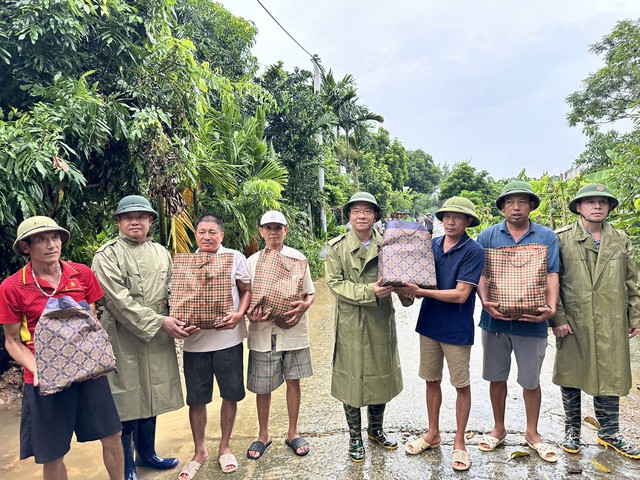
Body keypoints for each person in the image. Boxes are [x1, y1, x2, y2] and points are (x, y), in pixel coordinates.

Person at [0, 216, 123, 480]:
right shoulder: (12, 287)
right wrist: (38, 370)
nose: (51, 244)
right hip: (44, 379)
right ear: (26, 247)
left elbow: (92, 321)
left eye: (55, 237)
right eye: (42, 239)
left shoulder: (82, 274)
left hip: (89, 372)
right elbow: (12, 340)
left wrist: (98, 356)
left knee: (113, 434)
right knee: (54, 452)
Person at [92, 195, 197, 480]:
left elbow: (175, 290)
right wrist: (161, 322)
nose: (135, 221)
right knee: (127, 399)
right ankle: (127, 464)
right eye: (128, 217)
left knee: (154, 393)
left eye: (141, 216)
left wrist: (190, 313)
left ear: (151, 220)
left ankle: (147, 454)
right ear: (118, 222)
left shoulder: (162, 252)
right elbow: (117, 302)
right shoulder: (106, 255)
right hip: (123, 336)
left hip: (159, 334)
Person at [550, 184, 640, 459]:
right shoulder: (562, 239)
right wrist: (558, 318)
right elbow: (552, 281)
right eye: (590, 202)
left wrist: (634, 315)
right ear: (579, 207)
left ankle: (609, 432)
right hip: (575, 318)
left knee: (610, 374)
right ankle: (572, 430)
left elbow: (632, 280)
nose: (597, 206)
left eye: (603, 201)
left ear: (609, 207)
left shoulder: (620, 239)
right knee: (572, 373)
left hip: (612, 318)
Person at [476, 181, 560, 463]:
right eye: (510, 202)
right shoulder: (488, 237)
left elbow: (551, 275)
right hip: (496, 323)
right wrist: (485, 303)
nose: (516, 207)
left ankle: (532, 432)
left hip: (532, 321)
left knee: (530, 381)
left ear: (531, 206)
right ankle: (498, 429)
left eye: (522, 202)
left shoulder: (546, 236)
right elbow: (482, 275)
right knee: (497, 377)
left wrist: (551, 308)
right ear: (502, 207)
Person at [398, 197, 484, 472]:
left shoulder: (473, 250)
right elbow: (415, 277)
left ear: (468, 221)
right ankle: (432, 434)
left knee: (461, 384)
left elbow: (461, 295)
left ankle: (459, 440)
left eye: (457, 217)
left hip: (457, 328)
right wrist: (402, 285)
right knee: (431, 380)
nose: (450, 221)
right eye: (446, 216)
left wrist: (420, 291)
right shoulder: (431, 245)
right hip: (429, 324)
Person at [326, 192, 412, 462]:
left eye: (367, 211)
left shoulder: (391, 244)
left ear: (376, 215)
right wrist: (370, 291)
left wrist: (407, 290)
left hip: (379, 320)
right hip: (351, 320)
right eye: (355, 211)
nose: (361, 216)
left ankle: (376, 430)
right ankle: (354, 437)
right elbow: (335, 283)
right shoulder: (336, 246)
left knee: (379, 374)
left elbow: (403, 282)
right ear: (349, 216)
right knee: (351, 377)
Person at [177, 214, 251, 478]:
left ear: (222, 235)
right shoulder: (185, 262)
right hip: (194, 343)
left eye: (212, 232)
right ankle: (200, 451)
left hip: (227, 340)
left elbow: (246, 290)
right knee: (196, 399)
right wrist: (179, 322)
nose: (206, 236)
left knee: (230, 393)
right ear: (195, 235)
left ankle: (224, 446)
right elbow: (176, 299)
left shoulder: (234, 258)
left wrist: (239, 314)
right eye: (201, 232)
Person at [245, 211, 315, 460]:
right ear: (261, 231)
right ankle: (263, 434)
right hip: (263, 332)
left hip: (293, 331)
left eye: (278, 227)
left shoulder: (297, 258)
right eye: (268, 228)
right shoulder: (251, 262)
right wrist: (248, 315)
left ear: (286, 230)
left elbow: (309, 292)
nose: (273, 232)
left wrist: (305, 306)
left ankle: (293, 432)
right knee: (262, 387)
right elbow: (245, 297)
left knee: (294, 381)